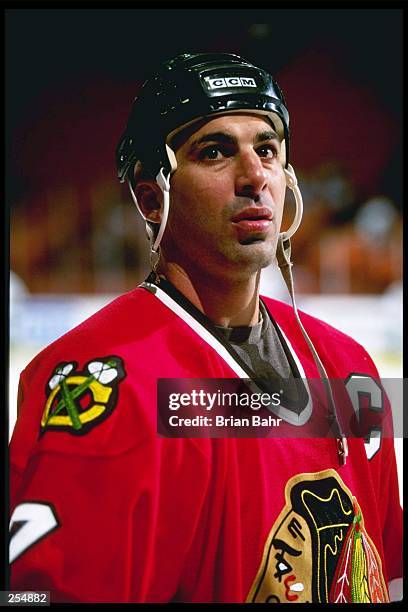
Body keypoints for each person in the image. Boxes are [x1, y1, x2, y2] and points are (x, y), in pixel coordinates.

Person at [9, 53, 402, 603]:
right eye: (214, 152)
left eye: (267, 149)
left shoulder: (352, 368)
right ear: (151, 197)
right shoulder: (106, 384)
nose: (254, 176)